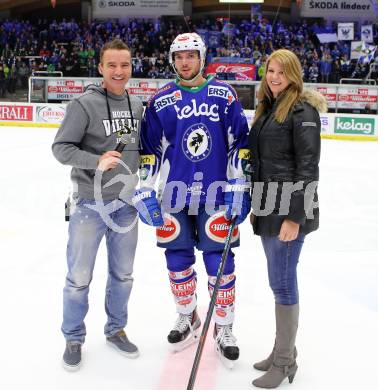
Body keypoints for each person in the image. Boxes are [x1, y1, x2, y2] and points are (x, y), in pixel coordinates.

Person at [132, 33, 251, 366]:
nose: (185, 62)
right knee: (177, 261)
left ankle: (224, 327)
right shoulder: (161, 100)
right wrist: (143, 188)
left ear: (202, 58)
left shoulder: (224, 95)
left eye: (191, 56)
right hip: (174, 195)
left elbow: (239, 144)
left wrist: (239, 185)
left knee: (220, 264)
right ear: (173, 60)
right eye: (179, 56)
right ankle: (188, 316)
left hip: (216, 194)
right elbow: (149, 151)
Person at [52, 39, 143, 371]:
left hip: (127, 204)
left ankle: (116, 329)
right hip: (90, 204)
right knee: (78, 277)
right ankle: (73, 337)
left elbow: (138, 150)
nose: (119, 72)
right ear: (101, 68)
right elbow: (61, 148)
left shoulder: (136, 105)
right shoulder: (83, 104)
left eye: (125, 65)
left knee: (123, 275)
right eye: (112, 65)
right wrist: (95, 160)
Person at [249, 49, 327, 388]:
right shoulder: (268, 108)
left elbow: (308, 168)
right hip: (268, 205)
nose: (274, 76)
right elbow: (263, 162)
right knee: (276, 281)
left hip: (289, 210)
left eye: (281, 71)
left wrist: (294, 218)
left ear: (294, 73)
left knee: (282, 283)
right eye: (270, 70)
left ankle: (283, 363)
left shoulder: (302, 110)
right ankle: (284, 352)